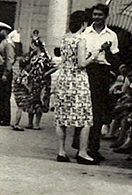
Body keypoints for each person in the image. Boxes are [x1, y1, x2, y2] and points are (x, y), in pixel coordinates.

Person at [54, 10, 98, 165]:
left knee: (62, 118)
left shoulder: (65, 38)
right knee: (85, 118)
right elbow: (81, 64)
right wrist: (93, 56)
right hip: (78, 80)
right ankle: (82, 152)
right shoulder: (81, 40)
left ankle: (61, 151)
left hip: (63, 79)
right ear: (84, 24)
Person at [79, 3, 120, 162]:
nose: (96, 17)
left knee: (98, 111)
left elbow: (115, 59)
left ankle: (93, 148)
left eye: (99, 15)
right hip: (86, 71)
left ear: (105, 16)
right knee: (83, 109)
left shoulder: (111, 35)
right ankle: (80, 147)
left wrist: (107, 51)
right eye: (94, 14)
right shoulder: (85, 33)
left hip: (102, 73)